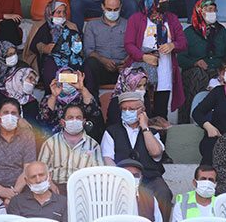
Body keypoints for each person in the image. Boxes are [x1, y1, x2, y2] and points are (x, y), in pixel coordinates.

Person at [101, 92, 172, 221]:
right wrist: (121, 178)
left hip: (149, 177)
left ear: (142, 110)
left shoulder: (153, 132)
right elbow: (108, 159)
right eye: (124, 109)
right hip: (122, 178)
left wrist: (145, 127)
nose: (128, 112)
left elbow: (156, 153)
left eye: (132, 109)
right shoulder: (112, 132)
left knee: (163, 192)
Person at [124, 0, 186, 120]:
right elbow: (129, 44)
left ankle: (160, 140)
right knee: (140, 110)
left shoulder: (172, 19)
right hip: (141, 71)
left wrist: (172, 45)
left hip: (165, 71)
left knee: (161, 113)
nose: (165, 1)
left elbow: (183, 43)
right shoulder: (136, 19)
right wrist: (144, 57)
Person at [178, 0, 226, 123]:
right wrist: (195, 62)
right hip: (195, 71)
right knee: (199, 75)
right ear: (199, 11)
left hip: (218, 70)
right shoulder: (189, 33)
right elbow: (181, 58)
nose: (212, 13)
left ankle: (221, 121)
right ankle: (192, 119)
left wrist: (224, 69)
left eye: (214, 10)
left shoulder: (221, 30)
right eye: (209, 10)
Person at [38, 104, 104, 195]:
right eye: (70, 117)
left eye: (78, 118)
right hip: (55, 189)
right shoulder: (50, 143)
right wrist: (50, 185)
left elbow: (99, 174)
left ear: (84, 122)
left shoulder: (93, 146)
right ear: (63, 122)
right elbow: (40, 170)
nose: (74, 120)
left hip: (83, 190)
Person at [24, 0, 86, 90]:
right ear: (50, 13)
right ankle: (50, 94)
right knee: (50, 63)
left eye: (64, 12)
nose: (62, 15)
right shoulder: (39, 26)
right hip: (46, 61)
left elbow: (78, 47)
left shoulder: (71, 26)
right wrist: (44, 48)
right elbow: (33, 45)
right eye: (58, 12)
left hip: (69, 61)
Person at [37, 67, 103, 140]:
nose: (66, 82)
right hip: (55, 141)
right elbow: (43, 119)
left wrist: (82, 88)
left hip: (80, 139)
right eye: (64, 78)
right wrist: (54, 96)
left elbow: (94, 111)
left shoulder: (81, 97)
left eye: (70, 77)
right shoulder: (49, 98)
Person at [83, 0, 129, 91]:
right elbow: (88, 51)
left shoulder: (128, 24)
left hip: (124, 70)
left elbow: (134, 48)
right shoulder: (92, 25)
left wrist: (126, 62)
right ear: (102, 7)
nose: (112, 12)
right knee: (90, 63)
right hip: (101, 69)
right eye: (109, 9)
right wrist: (103, 61)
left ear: (120, 7)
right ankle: (92, 101)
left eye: (116, 9)